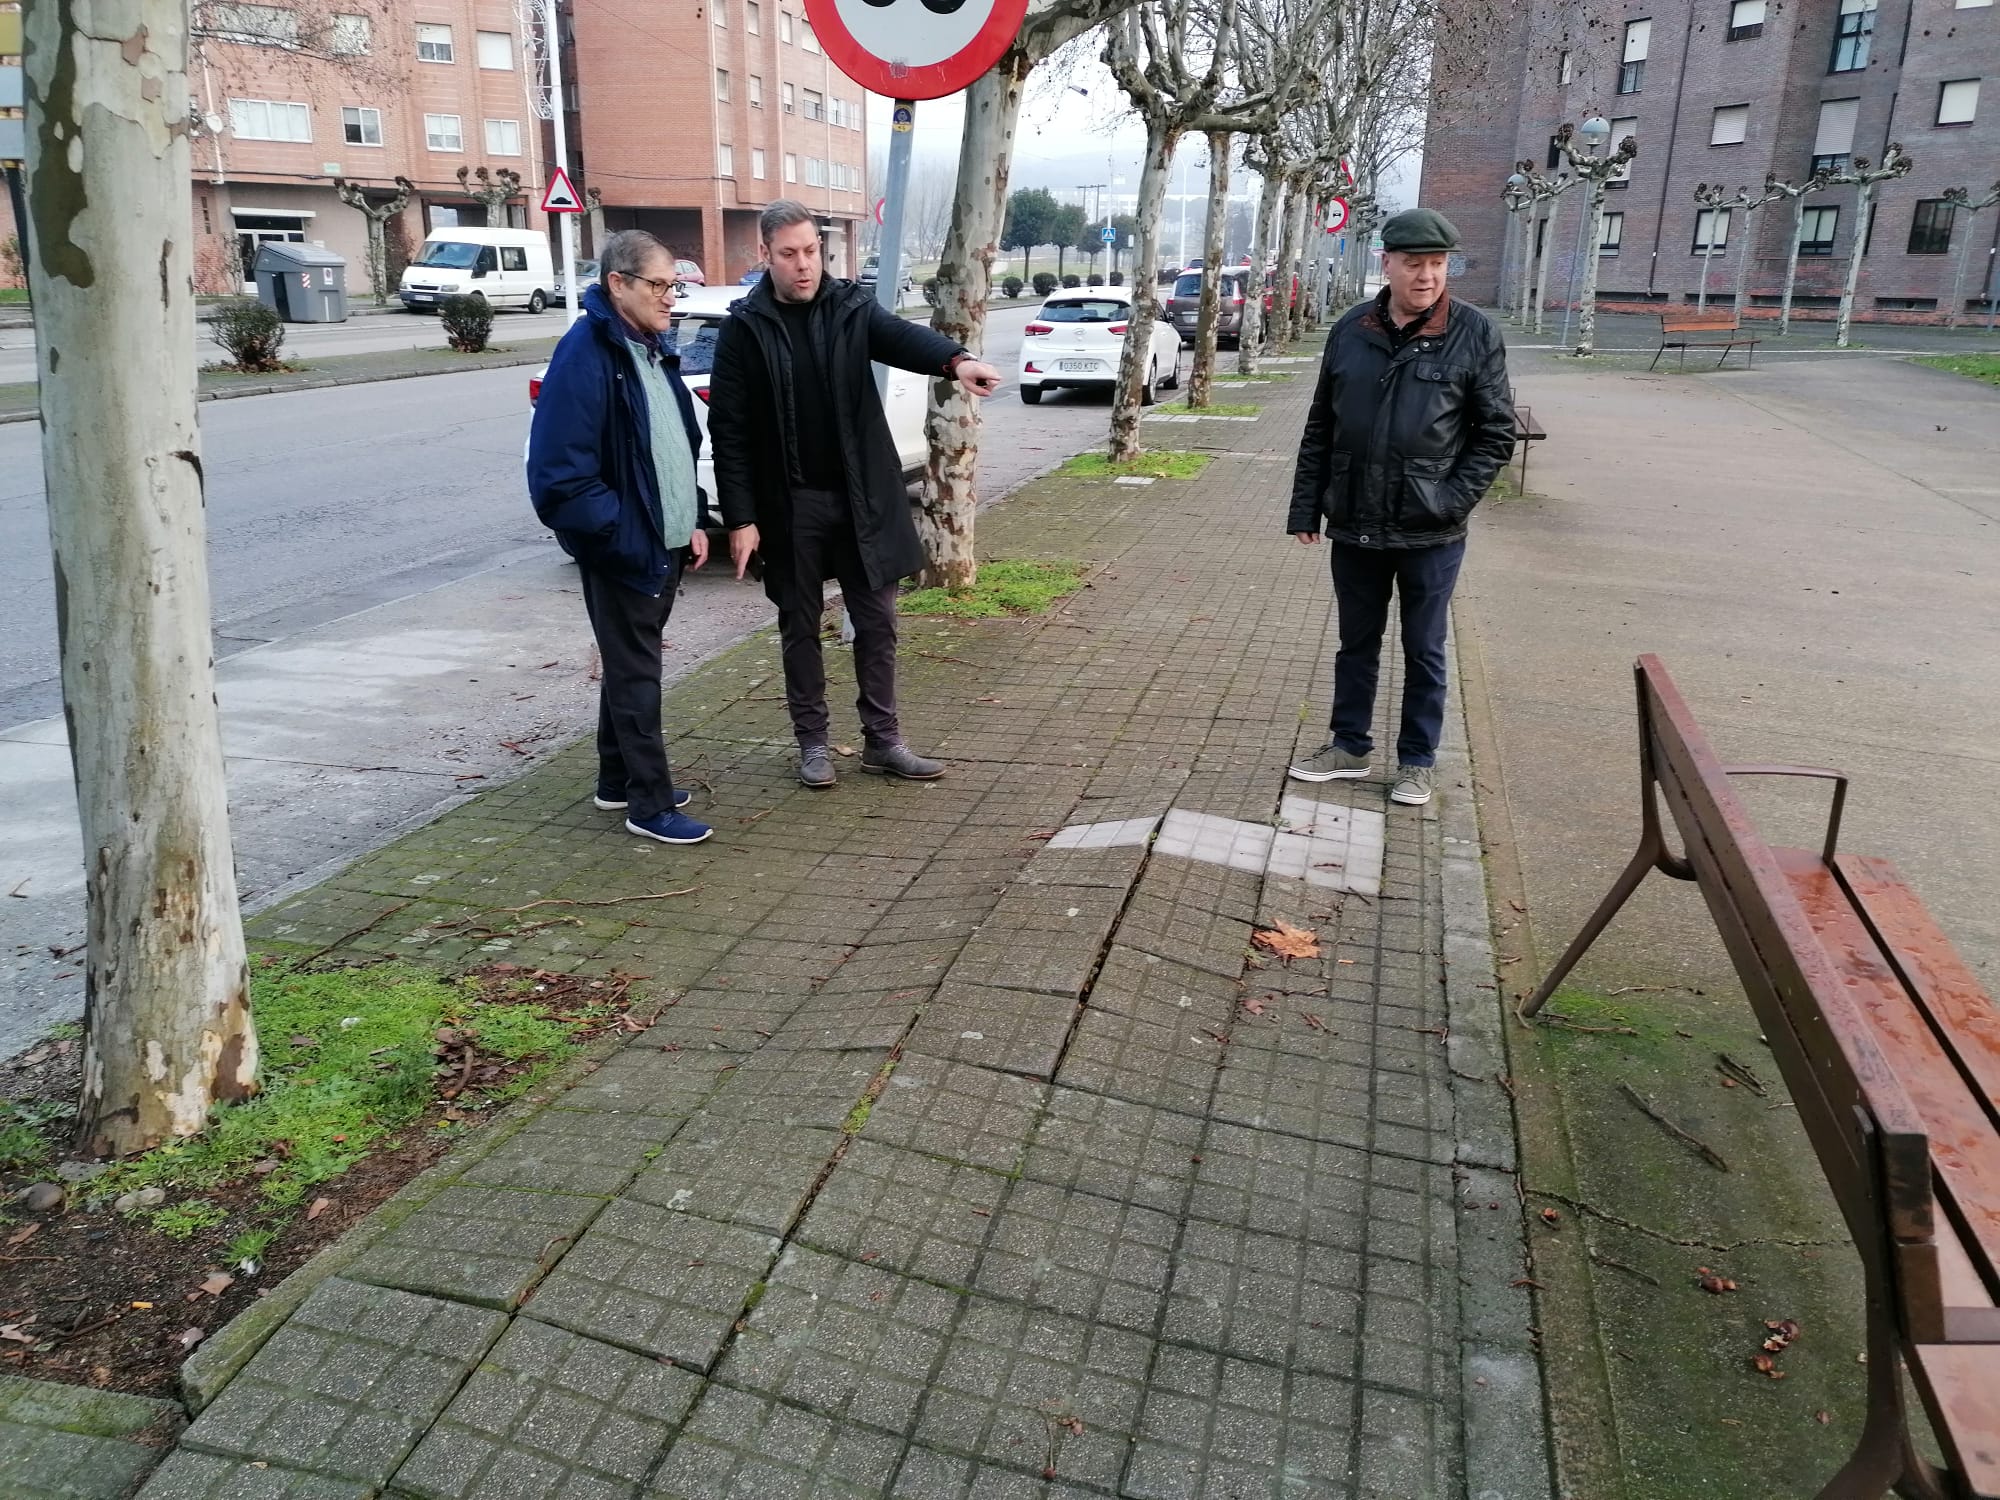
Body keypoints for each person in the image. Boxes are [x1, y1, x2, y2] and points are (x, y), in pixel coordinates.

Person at [707, 200, 1003, 788]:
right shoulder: (744, 328)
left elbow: (899, 338)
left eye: (811, 252)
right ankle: (812, 745)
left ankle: (883, 741)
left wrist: (957, 361)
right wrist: (740, 517)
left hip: (862, 497)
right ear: (765, 255)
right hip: (790, 504)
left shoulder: (850, 307)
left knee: (877, 622)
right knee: (800, 625)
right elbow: (730, 432)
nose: (803, 265)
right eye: (788, 254)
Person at [1285, 207, 1516, 807]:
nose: (1427, 277)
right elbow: (1321, 424)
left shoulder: (1474, 333)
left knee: (1425, 647)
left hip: (1430, 530)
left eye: (1437, 264)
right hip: (1356, 521)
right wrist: (1307, 507)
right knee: (1355, 643)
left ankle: (1416, 760)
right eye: (1414, 264)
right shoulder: (1350, 329)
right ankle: (1349, 746)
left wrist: (1449, 501)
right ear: (1386, 263)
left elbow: (1494, 433)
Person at [527, 229, 713, 845]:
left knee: (629, 663)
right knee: (638, 674)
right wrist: (621, 537)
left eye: (674, 285)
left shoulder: (648, 346)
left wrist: (690, 520)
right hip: (624, 548)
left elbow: (670, 443)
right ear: (619, 283)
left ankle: (616, 780)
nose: (670, 297)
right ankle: (650, 804)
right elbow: (559, 477)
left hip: (662, 540)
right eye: (659, 285)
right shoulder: (587, 354)